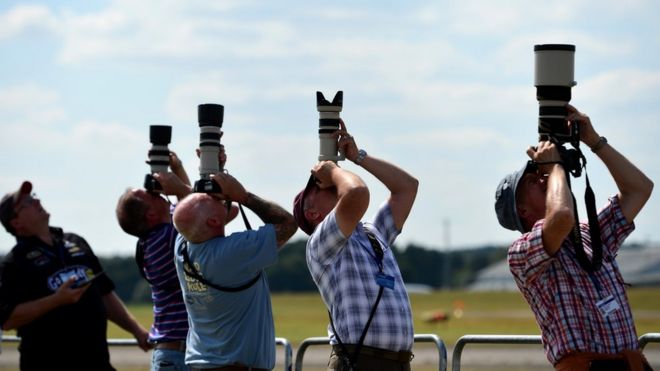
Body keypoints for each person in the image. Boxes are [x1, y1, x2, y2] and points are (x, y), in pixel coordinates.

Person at [494, 104, 654, 371]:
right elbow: (561, 217)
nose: (543, 179)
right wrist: (555, 166)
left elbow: (639, 189)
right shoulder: (520, 253)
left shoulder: (587, 234)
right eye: (533, 181)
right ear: (521, 211)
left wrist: (594, 141)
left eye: (541, 175)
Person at [292, 120, 418, 371]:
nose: (328, 183)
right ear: (313, 213)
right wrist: (335, 172)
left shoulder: (371, 233)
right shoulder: (321, 243)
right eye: (318, 185)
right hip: (358, 361)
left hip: (397, 363)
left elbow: (407, 187)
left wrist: (358, 157)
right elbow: (357, 194)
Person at [0, 181, 150, 371]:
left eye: (34, 196)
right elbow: (6, 320)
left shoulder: (75, 242)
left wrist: (136, 330)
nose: (36, 201)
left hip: (96, 363)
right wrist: (56, 300)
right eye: (27, 203)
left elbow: (105, 293)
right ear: (16, 223)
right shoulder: (15, 262)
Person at [172, 171, 297, 371]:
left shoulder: (182, 248)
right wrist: (244, 195)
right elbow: (287, 224)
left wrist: (217, 175)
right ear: (213, 221)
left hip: (200, 364)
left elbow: (195, 215)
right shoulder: (231, 254)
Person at [115, 152, 193, 371]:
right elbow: (198, 211)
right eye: (150, 194)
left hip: (177, 354)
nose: (156, 191)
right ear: (150, 214)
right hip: (178, 356)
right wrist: (178, 186)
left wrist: (177, 169)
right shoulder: (163, 239)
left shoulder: (158, 235)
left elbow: (188, 207)